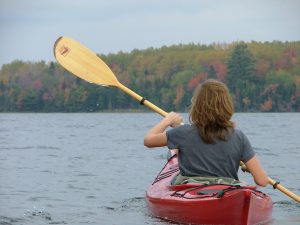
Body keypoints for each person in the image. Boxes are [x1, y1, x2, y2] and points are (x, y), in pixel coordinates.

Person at [144, 79, 268, 187]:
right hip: (225, 191)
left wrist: (168, 120)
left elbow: (148, 140)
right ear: (227, 106)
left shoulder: (182, 133)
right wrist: (250, 169)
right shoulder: (239, 137)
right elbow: (262, 181)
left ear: (197, 105)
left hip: (191, 190)